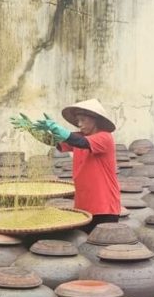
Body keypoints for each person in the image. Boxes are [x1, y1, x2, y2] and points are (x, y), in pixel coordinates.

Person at [33, 99, 121, 231]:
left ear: (95, 119)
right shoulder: (79, 137)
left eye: (83, 120)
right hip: (83, 207)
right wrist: (32, 130)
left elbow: (81, 142)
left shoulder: (104, 137)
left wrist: (58, 129)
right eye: (78, 120)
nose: (79, 124)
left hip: (104, 207)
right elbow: (56, 142)